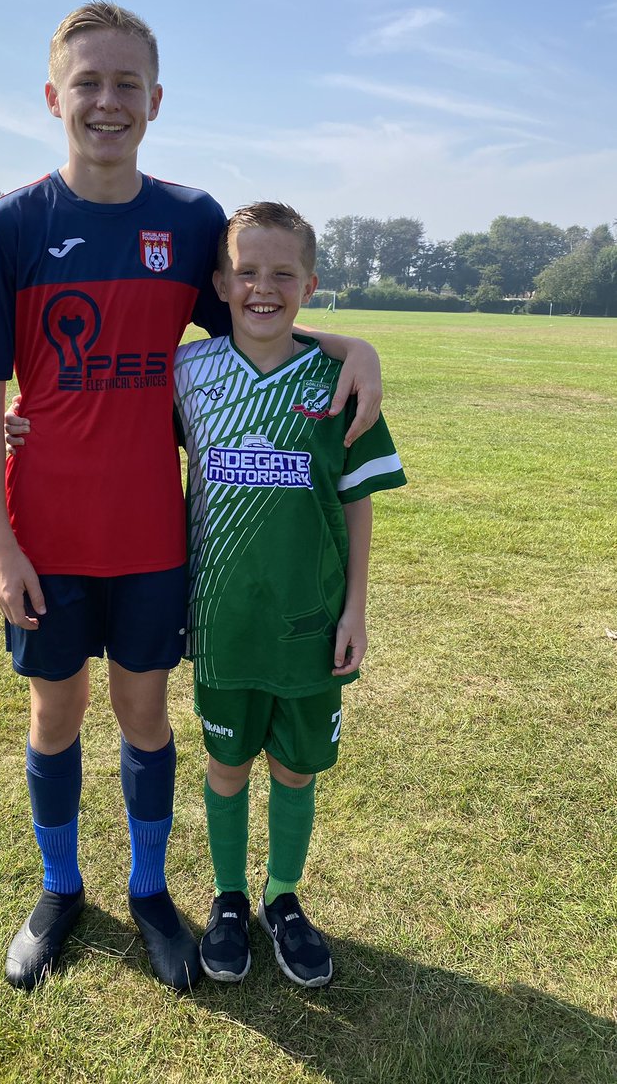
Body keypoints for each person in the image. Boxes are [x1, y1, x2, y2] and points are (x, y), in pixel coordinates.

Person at [0, 1, 383, 994]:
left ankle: (150, 892)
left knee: (145, 716)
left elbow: (256, 324)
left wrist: (355, 348)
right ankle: (61, 890)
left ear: (156, 100)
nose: (108, 102)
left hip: (154, 537)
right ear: (55, 95)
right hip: (48, 534)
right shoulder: (8, 226)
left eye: (127, 85)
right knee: (55, 715)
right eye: (89, 83)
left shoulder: (190, 222)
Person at [169, 202, 406, 988]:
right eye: (246, 271)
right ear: (219, 282)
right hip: (223, 618)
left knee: (295, 770)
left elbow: (356, 502)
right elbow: (106, 428)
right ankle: (230, 897)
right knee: (227, 762)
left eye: (281, 274)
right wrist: (22, 424)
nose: (262, 288)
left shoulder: (337, 379)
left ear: (308, 283)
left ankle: (283, 898)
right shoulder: (188, 374)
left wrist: (356, 609)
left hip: (309, 623)